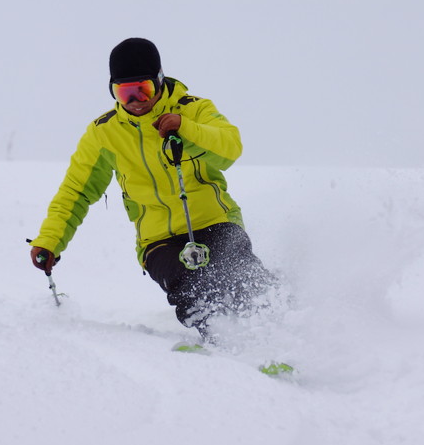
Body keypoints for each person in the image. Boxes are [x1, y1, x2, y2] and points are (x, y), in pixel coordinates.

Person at [29, 38, 273, 341]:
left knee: (240, 275)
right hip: (158, 240)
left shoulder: (193, 109)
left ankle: (278, 330)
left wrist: (184, 127)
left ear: (158, 81)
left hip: (215, 220)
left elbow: (230, 149)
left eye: (142, 89)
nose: (135, 101)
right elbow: (76, 191)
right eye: (124, 92)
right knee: (190, 282)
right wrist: (50, 240)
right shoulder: (104, 133)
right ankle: (223, 339)